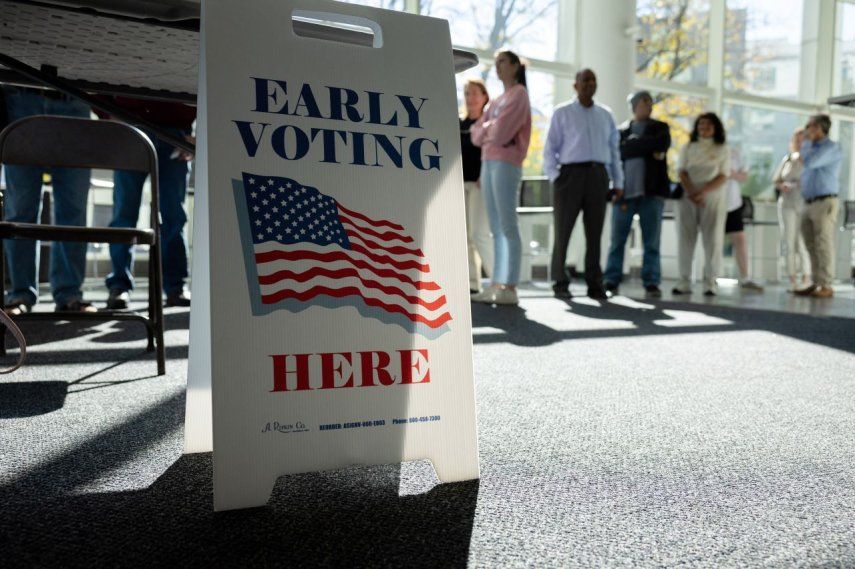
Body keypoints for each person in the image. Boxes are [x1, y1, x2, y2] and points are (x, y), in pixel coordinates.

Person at [1, 86, 96, 314]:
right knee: (20, 209)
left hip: (74, 98)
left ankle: (69, 293)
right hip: (22, 97)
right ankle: (20, 294)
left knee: (74, 210)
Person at [99, 98, 196, 309]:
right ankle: (119, 286)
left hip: (176, 132)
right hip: (130, 127)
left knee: (174, 216)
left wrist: (200, 133)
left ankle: (175, 287)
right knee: (124, 215)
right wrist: (108, 115)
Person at [544, 68, 623, 300]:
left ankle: (594, 284)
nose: (590, 83)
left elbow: (614, 151)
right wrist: (555, 178)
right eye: (585, 80)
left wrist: (618, 181)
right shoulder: (562, 113)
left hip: (598, 176)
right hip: (569, 176)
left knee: (595, 233)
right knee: (563, 230)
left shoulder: (606, 115)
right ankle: (560, 280)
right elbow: (550, 149)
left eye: (593, 79)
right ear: (575, 85)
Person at [470, 50, 532, 306]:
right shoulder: (497, 100)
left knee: (507, 224)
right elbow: (476, 134)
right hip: (488, 162)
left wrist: (487, 130)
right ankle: (496, 284)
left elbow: (500, 132)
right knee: (495, 227)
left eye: (502, 62)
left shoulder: (519, 95)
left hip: (506, 163)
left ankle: (510, 286)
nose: (497, 67)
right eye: (495, 63)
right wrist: (488, 130)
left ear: (516, 66)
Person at [603, 91, 670, 298]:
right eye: (643, 102)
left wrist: (634, 145)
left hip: (652, 194)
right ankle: (611, 280)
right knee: (617, 241)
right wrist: (643, 146)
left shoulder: (660, 128)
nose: (648, 106)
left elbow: (658, 145)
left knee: (651, 242)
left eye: (650, 102)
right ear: (634, 106)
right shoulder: (621, 130)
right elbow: (617, 153)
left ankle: (651, 282)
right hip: (624, 194)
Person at [673, 112, 730, 297]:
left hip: (712, 196)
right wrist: (692, 191)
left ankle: (710, 282)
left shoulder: (722, 149)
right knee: (685, 238)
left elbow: (723, 175)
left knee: (712, 240)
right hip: (688, 196)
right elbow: (681, 171)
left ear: (715, 128)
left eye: (708, 125)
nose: (704, 128)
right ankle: (684, 280)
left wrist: (703, 192)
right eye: (701, 124)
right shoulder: (688, 147)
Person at [795, 114, 842, 299]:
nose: (807, 130)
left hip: (825, 202)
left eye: (810, 126)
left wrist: (805, 142)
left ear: (821, 128)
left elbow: (810, 162)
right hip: (808, 201)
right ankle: (816, 283)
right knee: (810, 244)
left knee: (823, 244)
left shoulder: (831, 147)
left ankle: (826, 285)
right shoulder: (811, 148)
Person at [460, 79, 493, 294]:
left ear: (484, 96)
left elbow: (491, 152)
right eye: (467, 93)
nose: (470, 97)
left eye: (474, 93)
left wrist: (484, 174)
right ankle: (472, 284)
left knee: (478, 234)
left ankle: (498, 280)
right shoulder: (458, 123)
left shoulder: (488, 123)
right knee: (464, 235)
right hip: (459, 183)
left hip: (480, 184)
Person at [772, 128, 810, 290]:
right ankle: (792, 279)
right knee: (788, 240)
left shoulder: (812, 160)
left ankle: (806, 278)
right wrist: (782, 186)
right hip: (786, 204)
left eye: (804, 140)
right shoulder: (788, 159)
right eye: (798, 140)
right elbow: (776, 180)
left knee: (802, 242)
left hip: (804, 205)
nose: (800, 143)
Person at [723, 148, 763, 291]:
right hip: (712, 203)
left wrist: (730, 174)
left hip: (733, 203)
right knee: (712, 241)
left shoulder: (734, 153)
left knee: (739, 239)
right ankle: (710, 277)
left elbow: (744, 176)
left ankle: (745, 278)